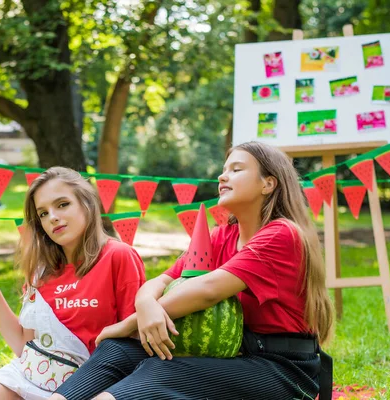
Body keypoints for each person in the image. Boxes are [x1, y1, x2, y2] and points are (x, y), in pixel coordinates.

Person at [49, 141, 334, 400]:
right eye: (224, 170)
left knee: (160, 370)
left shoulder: (281, 234)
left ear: (268, 184)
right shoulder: (220, 235)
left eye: (236, 170)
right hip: (235, 353)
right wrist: (145, 304)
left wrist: (130, 323)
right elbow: (162, 279)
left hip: (282, 368)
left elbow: (208, 291)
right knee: (118, 349)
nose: (223, 177)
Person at [0, 167, 146, 400]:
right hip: (25, 377)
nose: (52, 217)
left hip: (87, 386)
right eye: (43, 213)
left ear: (87, 204)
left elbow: (134, 346)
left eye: (62, 204)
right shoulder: (41, 269)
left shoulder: (118, 256)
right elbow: (23, 345)